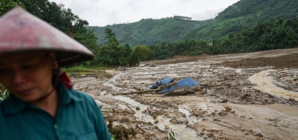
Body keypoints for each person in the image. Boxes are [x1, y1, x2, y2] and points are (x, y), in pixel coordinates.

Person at [0, 7, 111, 140]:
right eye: (3, 70)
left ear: (51, 61)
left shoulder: (86, 105)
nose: (17, 80)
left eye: (28, 66)